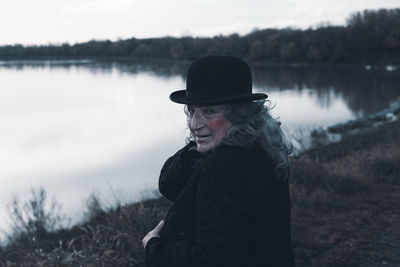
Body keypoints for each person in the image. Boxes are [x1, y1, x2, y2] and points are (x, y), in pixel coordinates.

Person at [142, 55, 295, 267]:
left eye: (209, 111)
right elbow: (168, 184)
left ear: (240, 114)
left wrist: (154, 247)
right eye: (192, 110)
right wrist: (199, 146)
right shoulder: (261, 147)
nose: (194, 123)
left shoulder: (225, 167)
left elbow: (208, 259)